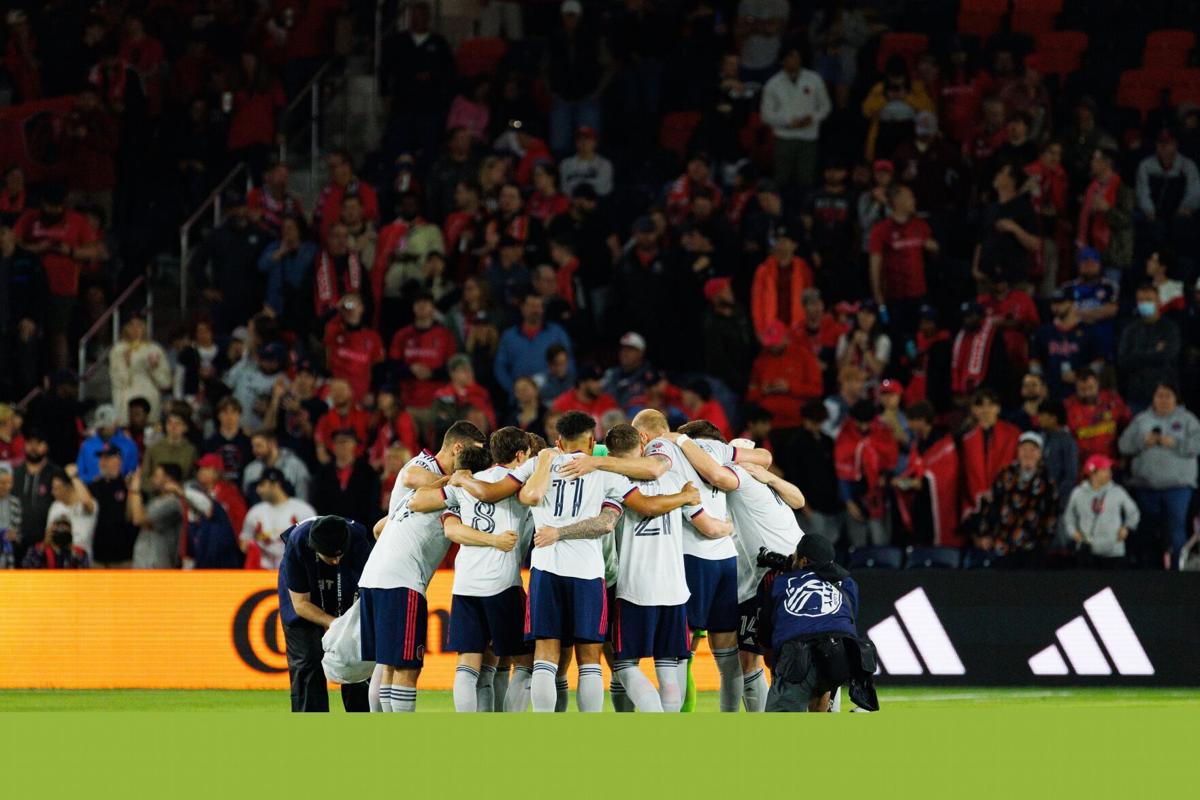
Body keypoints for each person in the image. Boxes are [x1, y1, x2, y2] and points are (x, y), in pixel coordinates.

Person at [358, 421, 489, 712]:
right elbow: (413, 477)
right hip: (401, 577)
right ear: (458, 448)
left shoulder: (427, 486)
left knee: (387, 663)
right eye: (473, 455)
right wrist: (457, 481)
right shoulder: (424, 467)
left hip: (377, 572)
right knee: (405, 666)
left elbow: (382, 526)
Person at [601, 423, 730, 713]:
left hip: (634, 589)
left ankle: (652, 716)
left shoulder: (614, 482)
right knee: (669, 667)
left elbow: (640, 508)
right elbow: (706, 524)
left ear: (611, 454)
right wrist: (728, 528)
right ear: (642, 445)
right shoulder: (675, 482)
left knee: (624, 664)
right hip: (674, 589)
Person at [405, 427, 535, 712]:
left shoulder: (466, 482)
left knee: (469, 663)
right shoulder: (519, 481)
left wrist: (456, 479)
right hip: (502, 584)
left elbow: (419, 503)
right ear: (520, 455)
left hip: (465, 584)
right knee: (525, 661)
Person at [757, 534, 875, 713]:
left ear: (803, 561)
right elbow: (848, 622)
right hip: (844, 655)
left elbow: (765, 634)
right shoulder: (848, 583)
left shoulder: (780, 583)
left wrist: (777, 667)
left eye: (795, 555)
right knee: (822, 684)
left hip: (798, 654)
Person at [279, 515, 374, 712]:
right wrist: (335, 623)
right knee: (307, 661)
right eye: (330, 557)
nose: (336, 560)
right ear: (315, 548)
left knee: (357, 657)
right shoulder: (297, 545)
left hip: (347, 597)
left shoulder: (358, 541)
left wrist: (349, 627)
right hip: (307, 597)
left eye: (340, 555)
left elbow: (368, 594)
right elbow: (300, 604)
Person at [1118, 383, 1200, 569]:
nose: (1163, 400)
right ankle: (1150, 573)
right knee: (1148, 533)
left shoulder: (1188, 419)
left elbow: (1197, 445)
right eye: (1159, 396)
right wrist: (1142, 442)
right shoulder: (1142, 419)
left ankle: (1177, 571)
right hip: (1146, 487)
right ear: (1153, 399)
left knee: (1176, 530)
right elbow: (1123, 445)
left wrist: (1175, 442)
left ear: (1175, 399)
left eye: (1167, 396)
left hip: (1178, 488)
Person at [975, 431, 1059, 568]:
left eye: (1033, 449)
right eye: (1024, 449)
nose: (1028, 454)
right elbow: (991, 506)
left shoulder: (1048, 481)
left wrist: (1044, 544)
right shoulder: (1005, 475)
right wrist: (985, 534)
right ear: (1018, 451)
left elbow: (1052, 516)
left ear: (1040, 454)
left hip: (1033, 550)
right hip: (1003, 546)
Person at [868, 184, 938, 341]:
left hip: (919, 295)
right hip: (895, 298)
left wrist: (934, 248)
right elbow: (874, 265)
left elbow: (934, 255)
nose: (914, 200)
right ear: (898, 200)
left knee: (919, 337)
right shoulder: (881, 230)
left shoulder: (920, 226)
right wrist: (879, 298)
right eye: (910, 197)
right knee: (898, 338)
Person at [760, 42, 832, 193]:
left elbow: (825, 106)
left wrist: (811, 119)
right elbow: (766, 115)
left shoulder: (814, 79)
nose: (794, 60)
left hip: (808, 138)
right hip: (784, 138)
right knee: (781, 180)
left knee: (806, 180)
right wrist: (788, 122)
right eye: (791, 57)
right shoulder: (773, 84)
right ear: (783, 60)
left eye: (797, 56)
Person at [127, 464, 212, 569]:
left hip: (156, 566)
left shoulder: (172, 503)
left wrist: (135, 490)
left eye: (156, 476)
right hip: (145, 564)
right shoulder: (157, 500)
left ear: (168, 479)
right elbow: (131, 516)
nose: (152, 479)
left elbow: (138, 519)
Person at [1065, 455, 1140, 568]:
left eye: (1109, 469)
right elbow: (1069, 517)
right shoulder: (1078, 493)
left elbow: (1133, 512)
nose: (1109, 473)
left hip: (1113, 550)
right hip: (1087, 551)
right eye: (1104, 470)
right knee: (1088, 584)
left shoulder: (1117, 491)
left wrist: (1127, 527)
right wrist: (1073, 532)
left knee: (1113, 584)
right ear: (1092, 473)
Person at [494, 293, 574, 397]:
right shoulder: (509, 336)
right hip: (521, 398)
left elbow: (570, 362)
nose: (536, 311)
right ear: (522, 308)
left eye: (539, 306)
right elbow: (500, 368)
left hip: (555, 396)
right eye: (532, 306)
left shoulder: (557, 332)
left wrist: (565, 388)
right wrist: (513, 390)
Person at [1117, 285, 1181, 409]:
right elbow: (1123, 361)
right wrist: (1154, 351)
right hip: (1137, 394)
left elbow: (1167, 356)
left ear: (1158, 302)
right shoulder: (1131, 329)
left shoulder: (1169, 328)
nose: (1144, 304)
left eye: (1148, 300)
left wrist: (1137, 354)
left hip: (1165, 393)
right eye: (1141, 300)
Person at [241, 468, 318, 570]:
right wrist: (253, 544)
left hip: (294, 572)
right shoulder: (255, 512)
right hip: (263, 572)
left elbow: (317, 543)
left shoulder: (302, 510)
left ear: (276, 485)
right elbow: (243, 544)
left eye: (262, 485)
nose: (258, 490)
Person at [311, 429, 381, 525]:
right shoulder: (323, 473)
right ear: (333, 446)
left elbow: (372, 503)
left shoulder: (367, 472)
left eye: (345, 441)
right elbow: (317, 502)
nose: (341, 445)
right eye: (338, 442)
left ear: (354, 444)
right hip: (329, 528)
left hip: (360, 528)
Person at [89, 445, 138, 568]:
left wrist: (132, 490)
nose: (102, 462)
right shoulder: (93, 487)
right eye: (101, 459)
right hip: (98, 555)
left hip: (123, 557)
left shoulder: (128, 487)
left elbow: (132, 517)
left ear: (118, 460)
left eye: (107, 458)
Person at [75, 403, 139, 483]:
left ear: (116, 422)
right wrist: (93, 479)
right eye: (101, 426)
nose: (103, 429)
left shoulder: (129, 445)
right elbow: (79, 474)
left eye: (107, 425)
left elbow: (132, 473)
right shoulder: (87, 445)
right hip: (92, 491)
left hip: (120, 491)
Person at [46, 464, 97, 562]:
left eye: (56, 488)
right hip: (58, 563)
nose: (52, 492)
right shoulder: (55, 507)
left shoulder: (87, 504)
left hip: (82, 562)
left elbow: (87, 502)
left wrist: (74, 477)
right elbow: (48, 538)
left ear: (68, 487)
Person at [22, 514, 90, 569]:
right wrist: (44, 546)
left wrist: (73, 552)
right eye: (58, 527)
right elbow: (27, 568)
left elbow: (84, 576)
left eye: (65, 528)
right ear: (50, 531)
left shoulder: (80, 553)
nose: (61, 531)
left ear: (70, 532)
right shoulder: (37, 550)